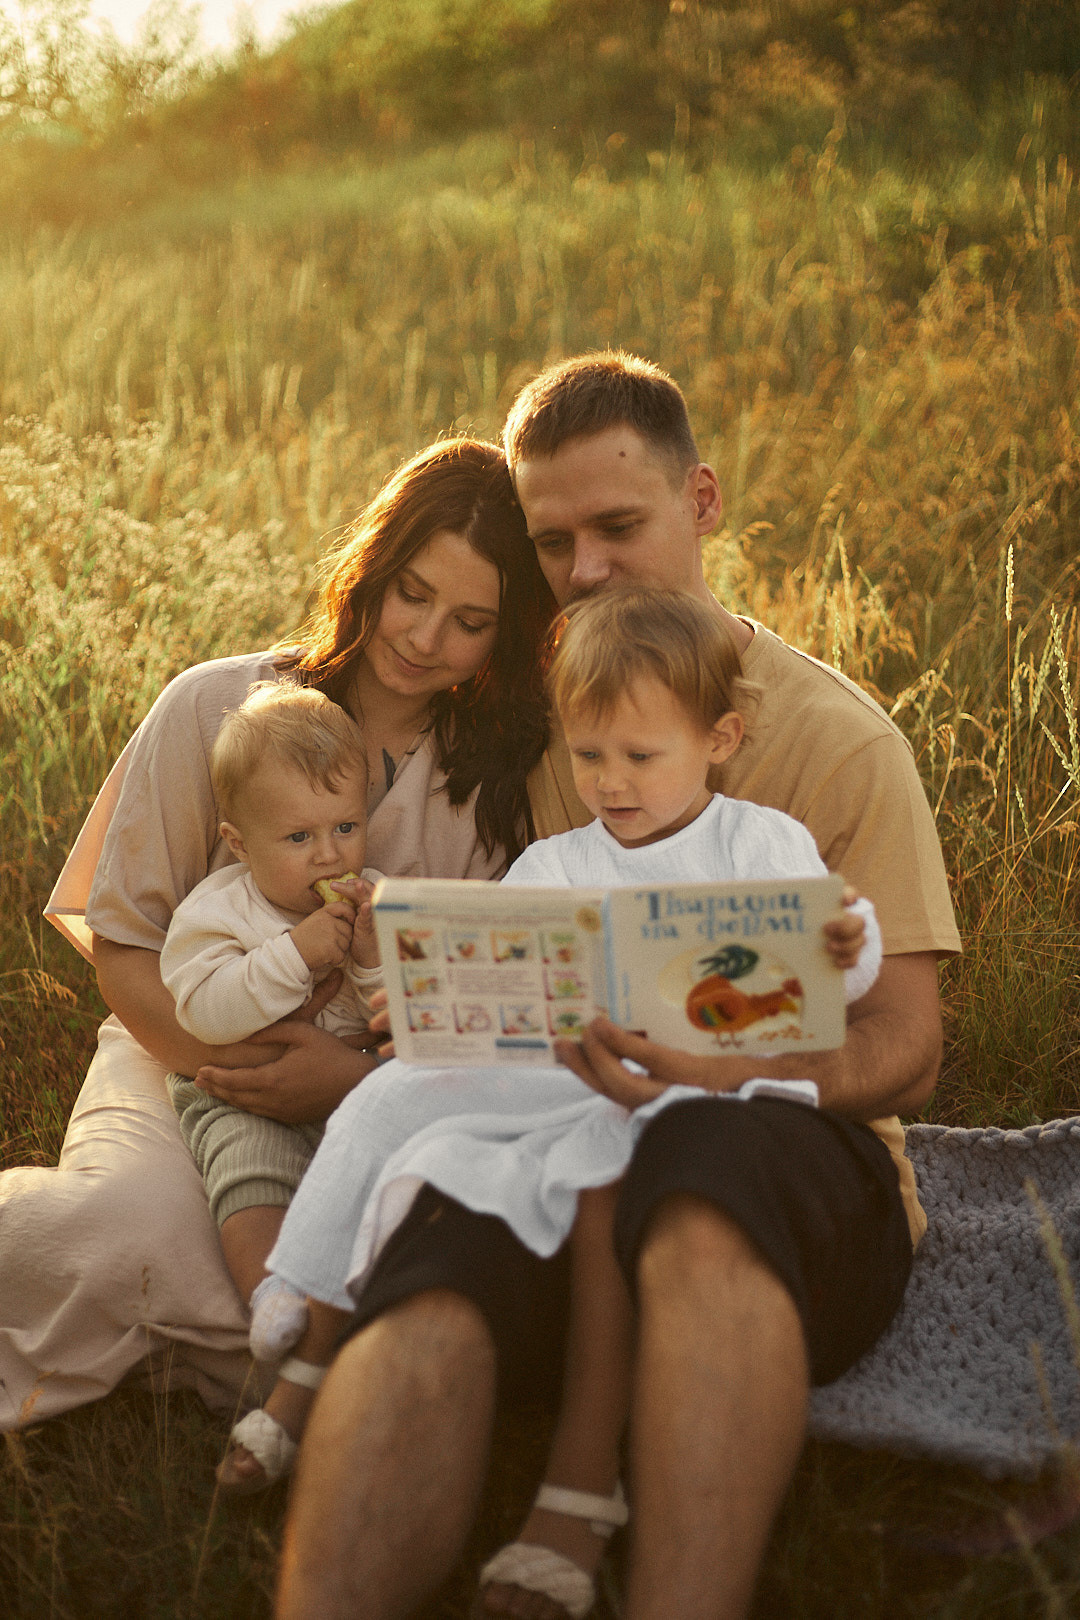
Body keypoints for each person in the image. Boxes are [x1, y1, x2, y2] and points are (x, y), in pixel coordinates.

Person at [276, 355, 960, 1620]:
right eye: (553, 542)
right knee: (447, 1225)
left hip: (787, 1166)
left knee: (702, 1165)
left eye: (618, 526)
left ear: (702, 500)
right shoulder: (543, 720)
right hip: (564, 1129)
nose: (585, 569)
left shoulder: (838, 743)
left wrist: (727, 1070)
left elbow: (907, 1044)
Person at [230, 591, 882, 1585]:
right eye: (588, 756)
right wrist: (432, 999)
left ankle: (584, 1472)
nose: (610, 783)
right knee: (396, 1103)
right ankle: (303, 1281)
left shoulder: (759, 844)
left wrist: (845, 942)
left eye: (640, 756)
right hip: (564, 1077)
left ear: (719, 739)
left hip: (705, 1096)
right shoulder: (556, 861)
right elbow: (497, 967)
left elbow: (838, 958)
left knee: (606, 1183)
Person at [0, 437, 552, 1432]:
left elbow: (470, 1017)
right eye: (412, 593)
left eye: (470, 623)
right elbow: (125, 945)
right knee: (121, 1230)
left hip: (384, 1092)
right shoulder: (215, 705)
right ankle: (271, 1360)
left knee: (381, 1264)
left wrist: (348, 1084)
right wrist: (229, 1065)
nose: (425, 637)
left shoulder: (501, 789)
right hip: (182, 1052)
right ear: (373, 567)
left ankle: (256, 1354)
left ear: (503, 638)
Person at [160, 682, 384, 1317]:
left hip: (351, 1083)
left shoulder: (377, 900)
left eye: (346, 827)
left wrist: (372, 958)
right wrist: (296, 955)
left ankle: (359, 1292)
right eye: (299, 837)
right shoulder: (218, 911)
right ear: (239, 843)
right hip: (244, 1095)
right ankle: (272, 1296)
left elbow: (400, 1014)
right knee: (250, 1170)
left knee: (388, 1164)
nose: (330, 854)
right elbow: (204, 1011)